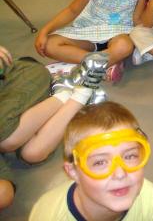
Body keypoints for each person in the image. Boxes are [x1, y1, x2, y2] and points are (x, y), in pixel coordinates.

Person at [0, 46, 105, 210]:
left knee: (6, 138)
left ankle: (64, 91)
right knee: (32, 153)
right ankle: (80, 94)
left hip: (16, 76)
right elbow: (4, 193)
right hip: (14, 110)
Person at [29, 101, 153, 220]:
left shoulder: (147, 194)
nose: (120, 173)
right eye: (100, 162)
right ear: (73, 172)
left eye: (129, 156)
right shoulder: (49, 216)